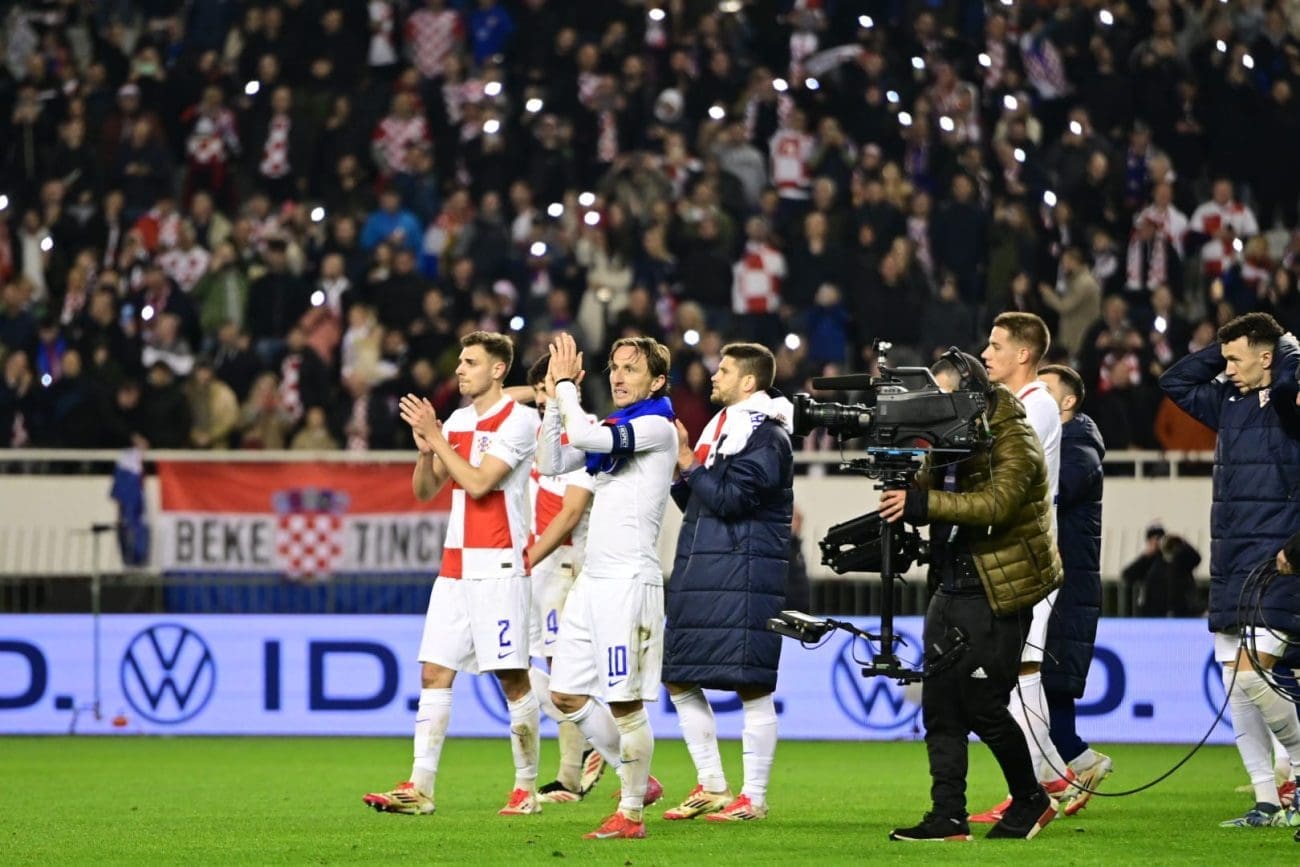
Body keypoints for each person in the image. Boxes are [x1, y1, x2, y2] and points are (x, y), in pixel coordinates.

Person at [882, 350, 1063, 842]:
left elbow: (998, 505)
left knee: (983, 702)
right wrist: (907, 472)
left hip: (998, 587)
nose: (938, 409)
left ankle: (1030, 798)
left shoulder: (1015, 436)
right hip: (950, 582)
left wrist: (920, 501)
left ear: (971, 396)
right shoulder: (947, 439)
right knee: (940, 707)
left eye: (945, 399)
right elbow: (929, 491)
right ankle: (948, 816)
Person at [363, 331, 543, 817]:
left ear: (498, 369)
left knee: (512, 679)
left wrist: (439, 439)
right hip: (455, 564)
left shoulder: (521, 421)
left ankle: (526, 787)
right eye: (460, 361)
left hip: (500, 564)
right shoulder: (461, 419)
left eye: (470, 362)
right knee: (434, 671)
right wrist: (426, 449)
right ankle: (420, 788)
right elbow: (426, 490)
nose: (459, 370)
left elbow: (481, 483)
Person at [1160, 311, 1300, 828]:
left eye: (1237, 360)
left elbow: (1287, 377)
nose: (1228, 370)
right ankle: (1267, 800)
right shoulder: (1230, 401)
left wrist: (1285, 346)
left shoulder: (1289, 401)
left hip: (1278, 559)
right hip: (1231, 561)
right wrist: (1225, 348)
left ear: (1268, 357)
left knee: (1253, 679)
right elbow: (1173, 380)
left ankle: (1299, 779)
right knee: (1235, 686)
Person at [538, 332, 678, 840]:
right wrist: (557, 401)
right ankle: (638, 776)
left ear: (657, 381)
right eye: (614, 368)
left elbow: (585, 439)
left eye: (631, 369)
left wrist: (567, 391)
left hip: (628, 583)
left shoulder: (657, 427)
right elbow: (551, 462)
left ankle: (632, 814)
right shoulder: (612, 426)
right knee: (566, 693)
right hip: (592, 582)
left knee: (624, 703)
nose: (617, 376)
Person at [660, 343, 795, 822]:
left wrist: (688, 461)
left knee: (751, 684)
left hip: (745, 573)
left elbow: (734, 499)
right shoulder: (724, 429)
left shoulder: (768, 436)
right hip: (708, 570)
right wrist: (683, 473)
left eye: (725, 370)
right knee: (677, 675)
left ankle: (753, 799)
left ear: (749, 384)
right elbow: (703, 505)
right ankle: (713, 785)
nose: (713, 376)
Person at [973, 312, 1072, 821]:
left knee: (1021, 670)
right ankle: (1053, 777)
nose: (986, 354)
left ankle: (1035, 792)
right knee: (1016, 671)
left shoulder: (1034, 408)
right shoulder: (1019, 404)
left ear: (1023, 354)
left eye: (995, 346)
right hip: (1017, 555)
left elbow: (999, 473)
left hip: (1027, 555)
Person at [519, 353, 605, 803]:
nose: (540, 400)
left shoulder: (588, 432)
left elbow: (571, 511)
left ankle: (573, 772)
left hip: (563, 566)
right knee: (525, 666)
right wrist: (542, 388)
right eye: (536, 392)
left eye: (549, 389)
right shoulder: (540, 428)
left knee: (559, 670)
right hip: (536, 569)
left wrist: (528, 557)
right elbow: (503, 396)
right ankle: (593, 739)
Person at [1037, 364, 1112, 815]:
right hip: (1059, 582)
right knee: (1048, 689)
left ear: (1067, 403)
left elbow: (1052, 489)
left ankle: (1051, 780)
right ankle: (1080, 765)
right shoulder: (1065, 444)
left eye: (1045, 391)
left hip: (1066, 587)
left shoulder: (1079, 449)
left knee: (1041, 686)